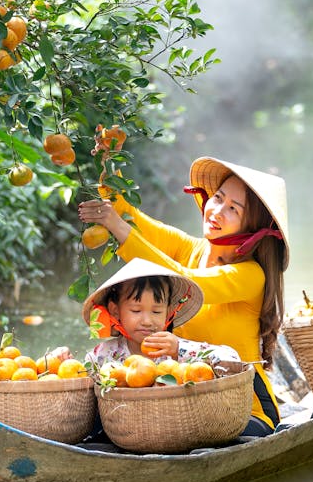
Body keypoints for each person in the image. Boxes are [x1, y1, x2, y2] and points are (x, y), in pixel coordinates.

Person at [78, 157, 289, 436]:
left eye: (233, 209)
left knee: (190, 433)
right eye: (217, 198)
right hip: (189, 403)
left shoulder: (251, 275)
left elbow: (185, 280)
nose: (216, 211)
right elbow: (132, 218)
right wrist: (111, 159)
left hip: (244, 408)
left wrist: (116, 226)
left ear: (253, 229)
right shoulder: (192, 249)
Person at [81, 257, 241, 367]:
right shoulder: (104, 355)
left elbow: (233, 360)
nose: (147, 321)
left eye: (156, 312)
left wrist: (179, 350)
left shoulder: (175, 350)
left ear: (169, 312)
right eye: (136, 310)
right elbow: (77, 378)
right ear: (115, 311)